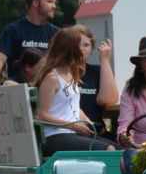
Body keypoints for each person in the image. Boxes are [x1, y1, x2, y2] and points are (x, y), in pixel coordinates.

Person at [31, 27, 117, 156]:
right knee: (109, 150)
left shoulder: (70, 75)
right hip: (54, 136)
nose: (82, 50)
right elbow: (41, 115)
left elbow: (73, 105)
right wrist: (73, 125)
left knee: (119, 149)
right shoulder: (52, 78)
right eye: (78, 46)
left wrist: (87, 121)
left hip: (71, 133)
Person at [0, 0, 59, 87]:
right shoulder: (14, 30)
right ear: (35, 3)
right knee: (8, 84)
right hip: (18, 87)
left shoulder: (57, 33)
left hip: (48, 86)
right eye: (50, 2)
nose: (54, 6)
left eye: (54, 2)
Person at [73, 27, 120, 137]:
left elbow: (109, 99)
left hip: (97, 131)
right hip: (74, 132)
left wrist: (105, 60)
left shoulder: (95, 71)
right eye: (76, 44)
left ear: (92, 48)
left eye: (86, 45)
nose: (81, 49)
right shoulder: (62, 73)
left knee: (124, 146)